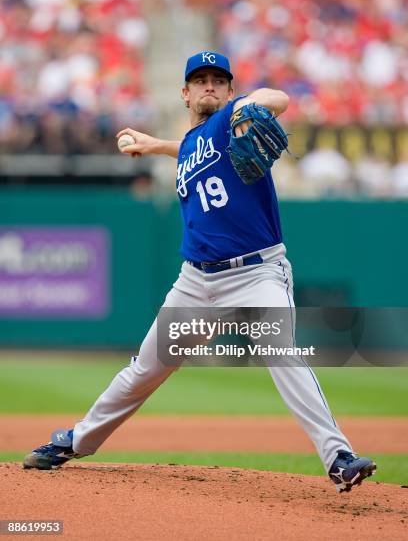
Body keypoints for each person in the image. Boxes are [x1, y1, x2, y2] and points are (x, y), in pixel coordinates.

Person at [23, 51, 376, 492]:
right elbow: (188, 147)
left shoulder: (234, 118)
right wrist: (154, 145)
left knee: (282, 352)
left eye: (218, 80)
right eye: (200, 80)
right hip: (195, 284)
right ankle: (76, 441)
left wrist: (251, 105)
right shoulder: (193, 143)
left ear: (229, 90)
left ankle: (338, 457)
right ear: (186, 93)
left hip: (257, 275)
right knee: (145, 368)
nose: (209, 85)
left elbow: (278, 97)